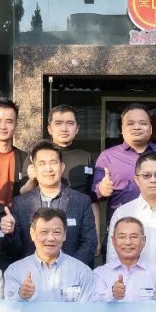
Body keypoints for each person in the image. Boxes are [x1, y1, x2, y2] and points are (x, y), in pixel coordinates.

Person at [13, 141, 97, 267]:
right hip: (31, 274)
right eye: (42, 163)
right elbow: (15, 248)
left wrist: (69, 268)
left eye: (53, 162)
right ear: (34, 169)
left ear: (62, 167)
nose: (48, 168)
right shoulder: (20, 203)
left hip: (71, 273)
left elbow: (89, 243)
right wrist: (10, 233)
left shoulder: (82, 201)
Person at [93, 104, 156, 222]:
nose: (137, 127)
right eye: (130, 123)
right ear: (122, 129)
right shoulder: (107, 157)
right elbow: (94, 192)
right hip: (121, 226)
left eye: (143, 123)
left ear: (151, 128)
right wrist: (101, 189)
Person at [4, 208, 101, 302]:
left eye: (56, 232)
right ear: (32, 233)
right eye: (44, 232)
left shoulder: (82, 272)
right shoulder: (15, 271)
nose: (50, 238)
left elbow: (87, 310)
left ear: (64, 235)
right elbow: (9, 309)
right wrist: (21, 295)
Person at [47, 104, 102, 257]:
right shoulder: (38, 155)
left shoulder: (85, 157)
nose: (64, 128)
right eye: (58, 123)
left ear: (77, 129)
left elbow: (93, 200)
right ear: (49, 129)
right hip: (46, 229)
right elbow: (25, 194)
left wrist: (96, 236)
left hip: (79, 227)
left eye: (70, 123)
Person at [92, 217, 156, 302]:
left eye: (134, 237)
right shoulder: (100, 274)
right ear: (113, 241)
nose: (128, 242)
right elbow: (92, 305)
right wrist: (111, 293)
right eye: (122, 237)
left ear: (143, 240)